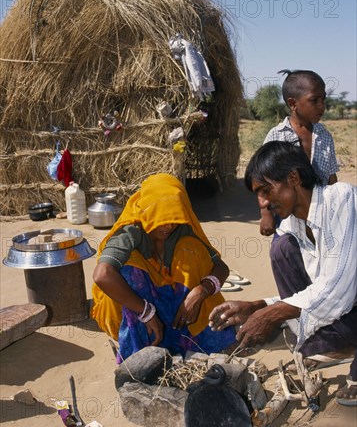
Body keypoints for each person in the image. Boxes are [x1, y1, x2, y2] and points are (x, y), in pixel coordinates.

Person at [209, 142, 357, 406]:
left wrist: (272, 314)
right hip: (343, 304)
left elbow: (338, 290)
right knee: (282, 248)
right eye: (258, 194)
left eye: (266, 191)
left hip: (349, 299)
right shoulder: (292, 224)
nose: (263, 203)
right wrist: (256, 306)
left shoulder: (341, 200)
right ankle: (335, 341)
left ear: (293, 178)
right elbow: (315, 287)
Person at [91, 173, 236, 362]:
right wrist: (146, 312)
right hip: (137, 312)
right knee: (128, 267)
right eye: (162, 219)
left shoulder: (182, 227)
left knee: (192, 249)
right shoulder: (131, 230)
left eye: (173, 219)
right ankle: (138, 351)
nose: (168, 226)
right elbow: (103, 275)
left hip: (177, 311)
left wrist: (200, 291)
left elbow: (220, 268)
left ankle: (189, 340)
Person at [260, 69, 339, 237]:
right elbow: (263, 179)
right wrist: (266, 214)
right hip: (287, 214)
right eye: (314, 100)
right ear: (293, 104)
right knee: (286, 253)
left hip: (321, 214)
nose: (322, 105)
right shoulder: (276, 136)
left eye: (323, 99)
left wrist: (336, 209)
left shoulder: (324, 136)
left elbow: (331, 178)